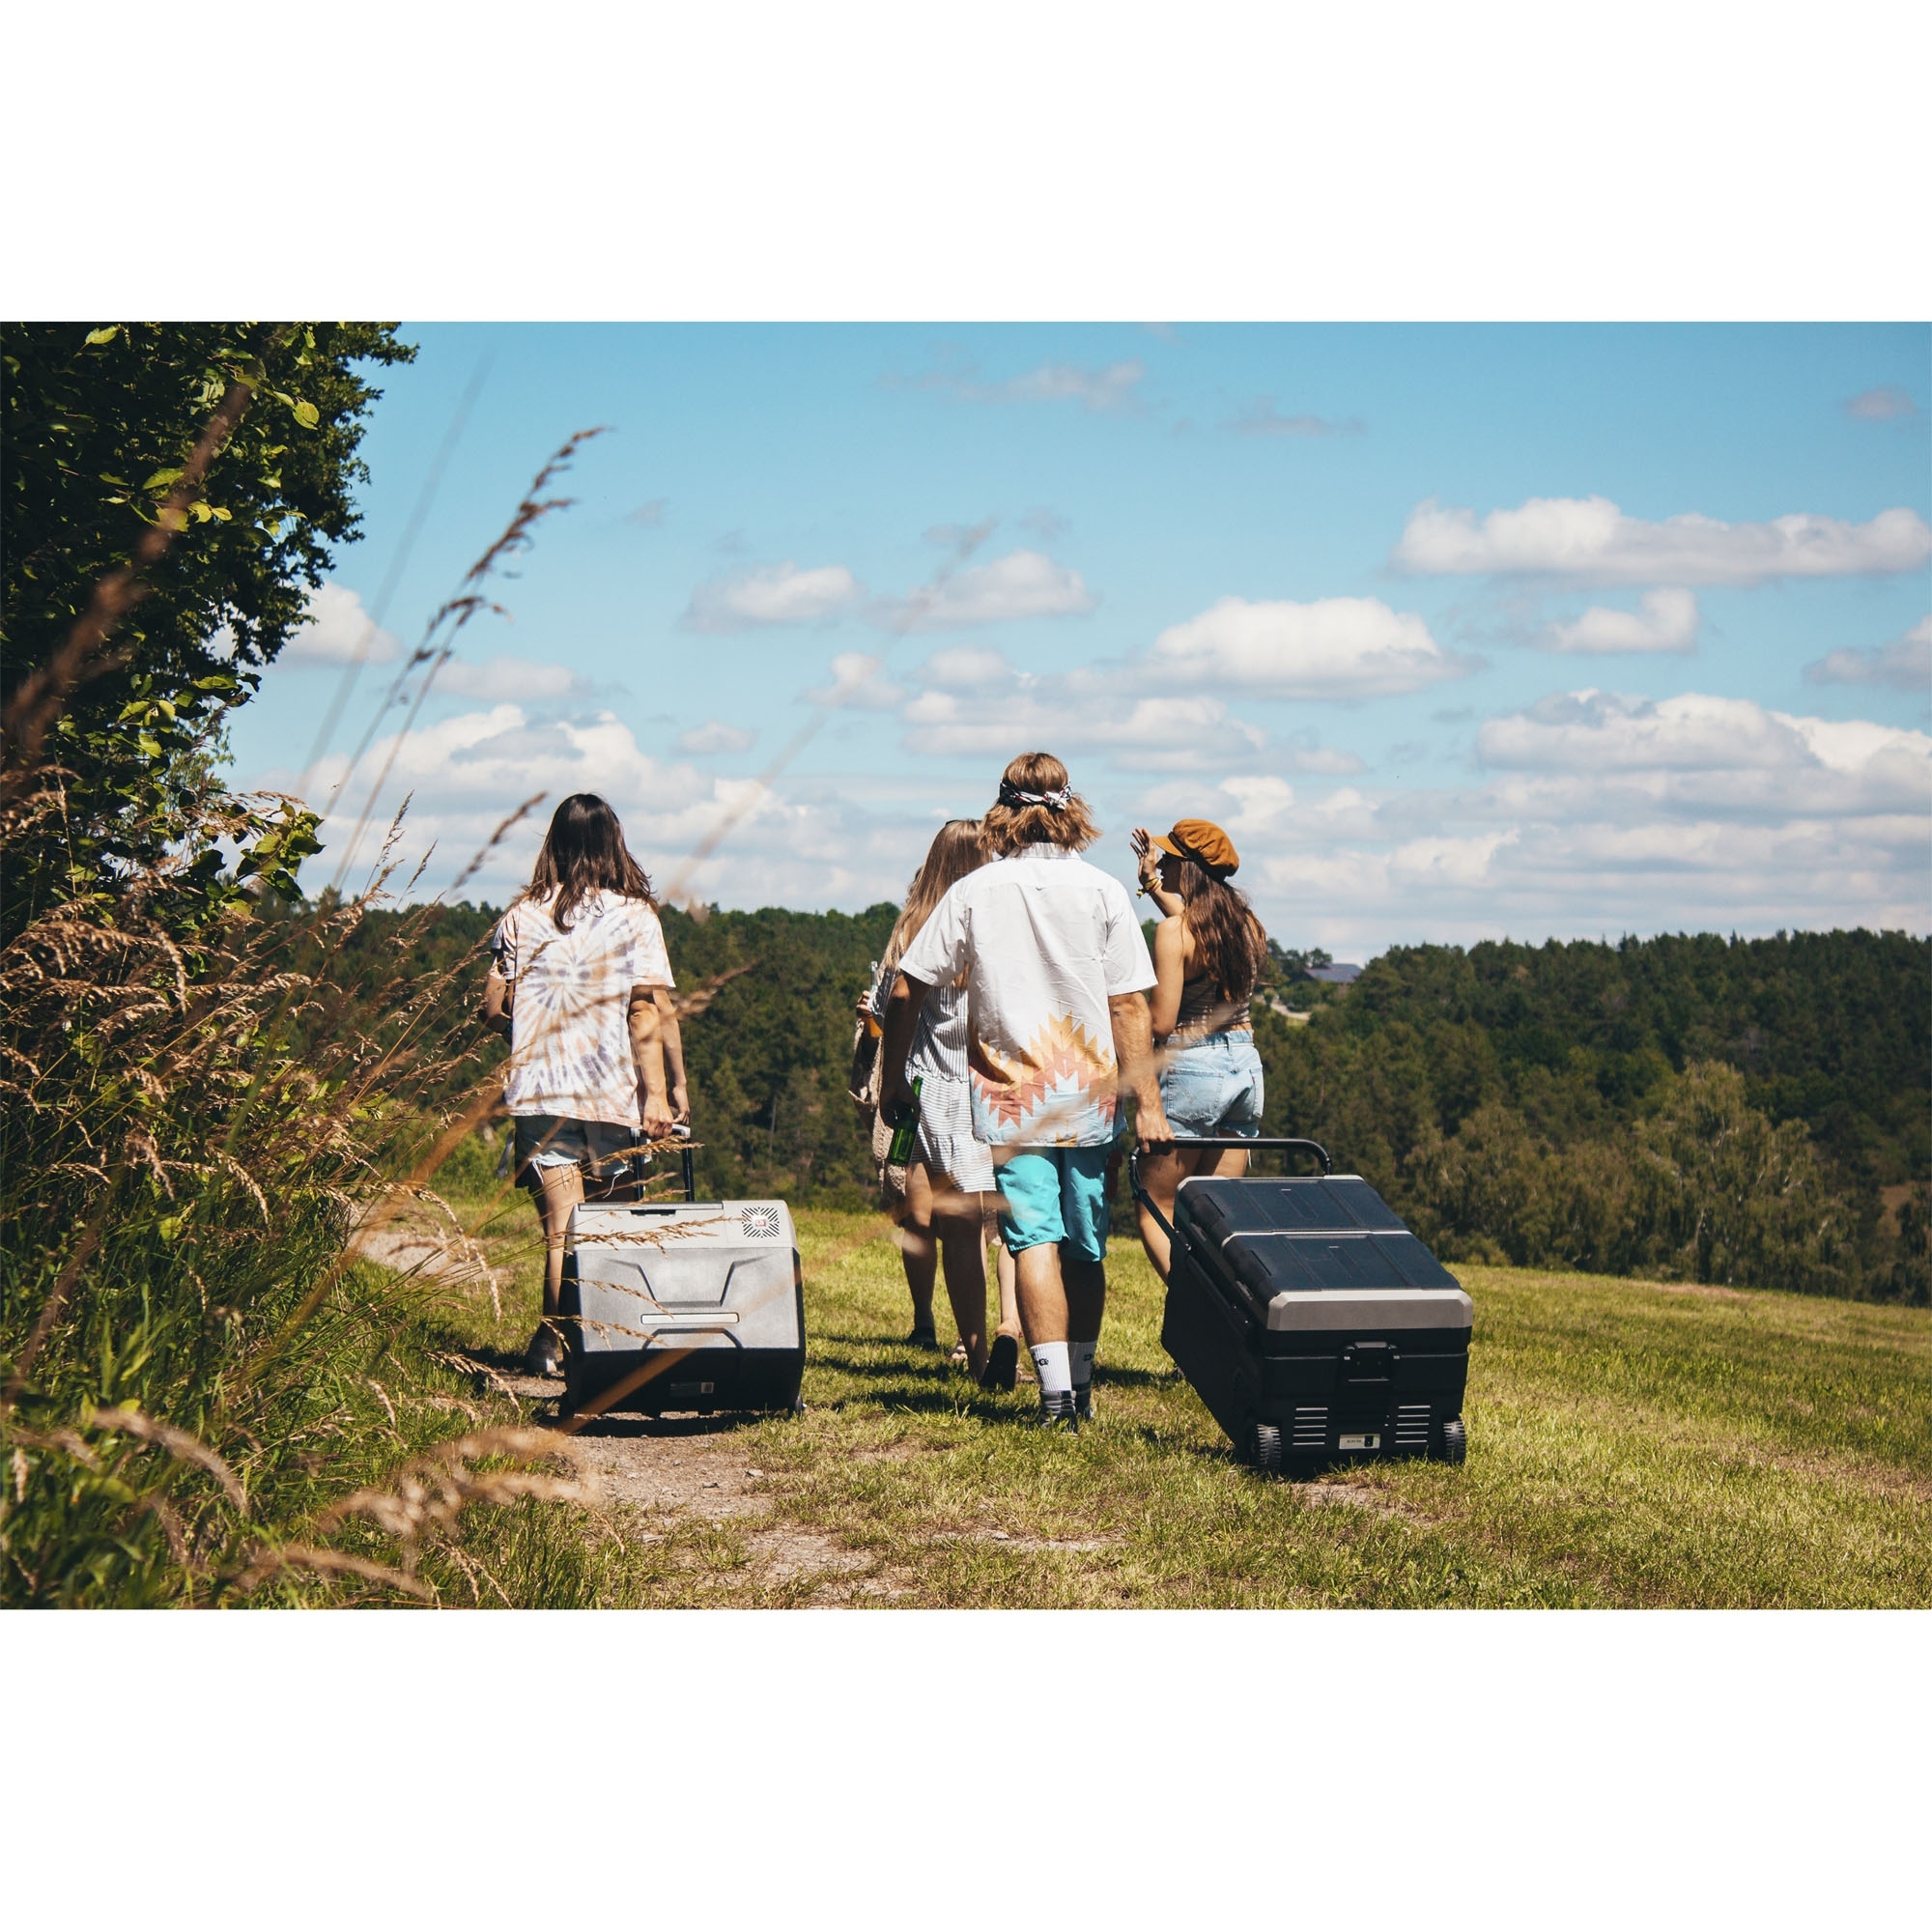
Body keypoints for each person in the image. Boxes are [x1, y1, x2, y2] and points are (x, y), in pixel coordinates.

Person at [880, 753, 1173, 1431]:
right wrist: (1150, 1106)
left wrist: (895, 1079)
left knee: (1033, 1237)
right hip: (1089, 1093)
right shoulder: (1102, 891)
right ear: (1071, 810)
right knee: (1086, 1246)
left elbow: (905, 988)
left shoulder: (974, 892)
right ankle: (1084, 1389)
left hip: (1009, 1096)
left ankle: (1055, 1399)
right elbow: (1129, 1006)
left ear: (1002, 812)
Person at [481, 793, 685, 1377]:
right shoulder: (635, 917)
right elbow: (645, 1011)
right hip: (609, 1092)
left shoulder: (520, 917)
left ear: (555, 844)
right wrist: (658, 1093)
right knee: (606, 1228)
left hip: (541, 1090)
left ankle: (551, 1345)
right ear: (613, 844)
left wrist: (531, 1025)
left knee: (561, 1231)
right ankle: (604, 1348)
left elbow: (492, 1009)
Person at [865, 820, 1021, 1384]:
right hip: (1004, 1079)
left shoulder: (915, 927)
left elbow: (887, 1006)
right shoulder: (1004, 920)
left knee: (957, 1221)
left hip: (938, 1085)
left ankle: (974, 1356)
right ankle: (1011, 1326)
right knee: (1012, 1213)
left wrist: (891, 1083)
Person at [1128, 817, 1268, 1280]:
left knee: (1156, 1205)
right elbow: (1196, 927)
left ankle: (1198, 1308)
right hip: (1245, 1067)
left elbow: (1162, 1023)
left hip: (1194, 1069)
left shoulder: (1174, 933)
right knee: (1216, 1215)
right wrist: (1150, 882)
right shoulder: (1249, 926)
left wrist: (1124, 1011)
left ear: (1187, 867)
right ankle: (1225, 1306)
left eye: (1169, 858)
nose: (1164, 864)